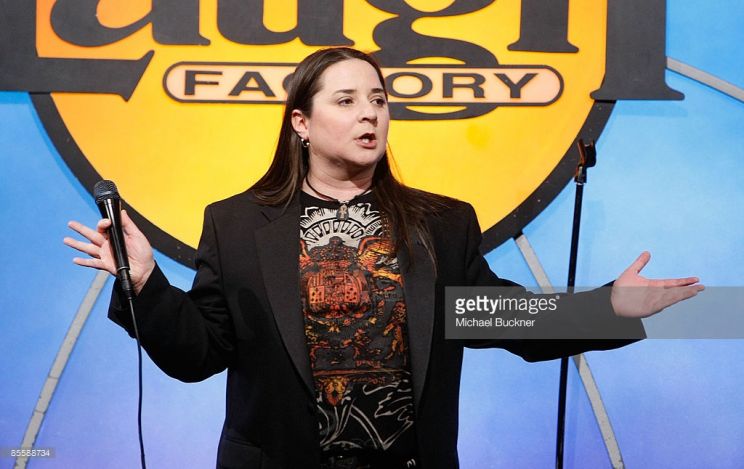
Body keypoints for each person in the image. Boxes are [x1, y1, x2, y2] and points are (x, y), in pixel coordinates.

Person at [65, 47, 703, 469]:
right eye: (345, 101)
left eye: (378, 99)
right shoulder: (237, 225)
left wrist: (610, 309)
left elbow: (504, 318)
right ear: (301, 124)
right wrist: (145, 282)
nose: (369, 114)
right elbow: (199, 355)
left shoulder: (440, 224)